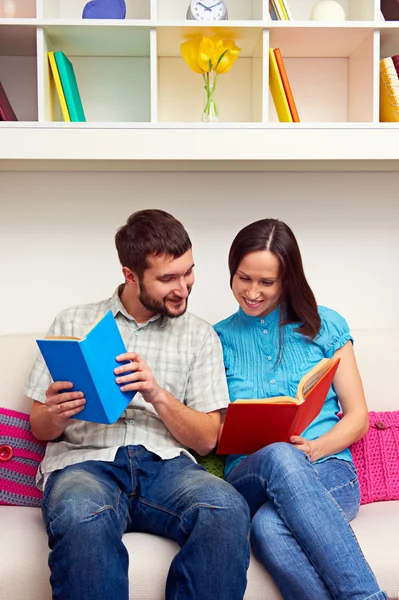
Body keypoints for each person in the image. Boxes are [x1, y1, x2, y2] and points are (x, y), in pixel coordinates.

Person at [26, 209, 250, 600]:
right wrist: (55, 413)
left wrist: (157, 394)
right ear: (130, 275)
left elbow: (208, 440)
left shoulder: (198, 335)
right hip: (84, 463)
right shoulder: (73, 322)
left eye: (188, 272)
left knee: (225, 509)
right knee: (82, 515)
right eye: (167, 278)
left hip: (167, 467)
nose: (182, 287)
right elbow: (38, 427)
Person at [214, 218, 388, 600]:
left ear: (287, 280)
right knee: (278, 455)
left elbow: (358, 418)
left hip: (328, 469)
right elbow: (209, 427)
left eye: (267, 283)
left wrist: (314, 449)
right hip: (250, 476)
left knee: (268, 530)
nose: (253, 292)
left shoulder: (325, 325)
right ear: (232, 272)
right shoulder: (217, 339)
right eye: (244, 278)